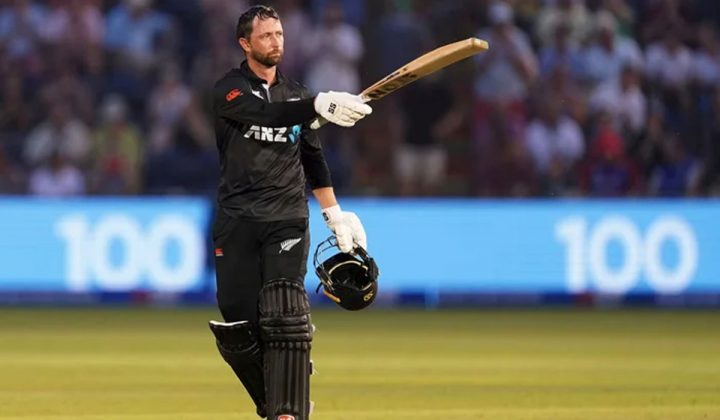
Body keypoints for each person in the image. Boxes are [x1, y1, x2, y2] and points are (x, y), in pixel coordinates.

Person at [207, 5, 372, 420]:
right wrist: (318, 105)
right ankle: (275, 399)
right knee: (237, 324)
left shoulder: (298, 95)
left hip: (286, 217)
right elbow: (266, 114)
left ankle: (289, 411)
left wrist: (334, 214)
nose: (276, 41)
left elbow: (312, 157)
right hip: (237, 218)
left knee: (284, 312)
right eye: (266, 35)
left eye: (279, 34)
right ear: (245, 44)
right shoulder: (229, 91)